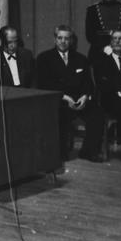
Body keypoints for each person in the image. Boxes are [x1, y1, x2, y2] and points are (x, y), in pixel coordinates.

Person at [36, 25, 104, 162]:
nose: (63, 41)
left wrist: (85, 96)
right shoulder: (44, 58)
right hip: (59, 100)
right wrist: (65, 97)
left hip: (79, 100)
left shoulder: (81, 59)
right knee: (60, 116)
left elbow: (88, 83)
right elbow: (44, 84)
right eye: (60, 38)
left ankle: (88, 151)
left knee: (97, 114)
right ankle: (61, 152)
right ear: (55, 39)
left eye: (66, 38)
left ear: (71, 40)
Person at [93, 29, 121, 162]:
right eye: (114, 39)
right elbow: (104, 85)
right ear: (110, 43)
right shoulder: (102, 61)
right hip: (109, 100)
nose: (117, 41)